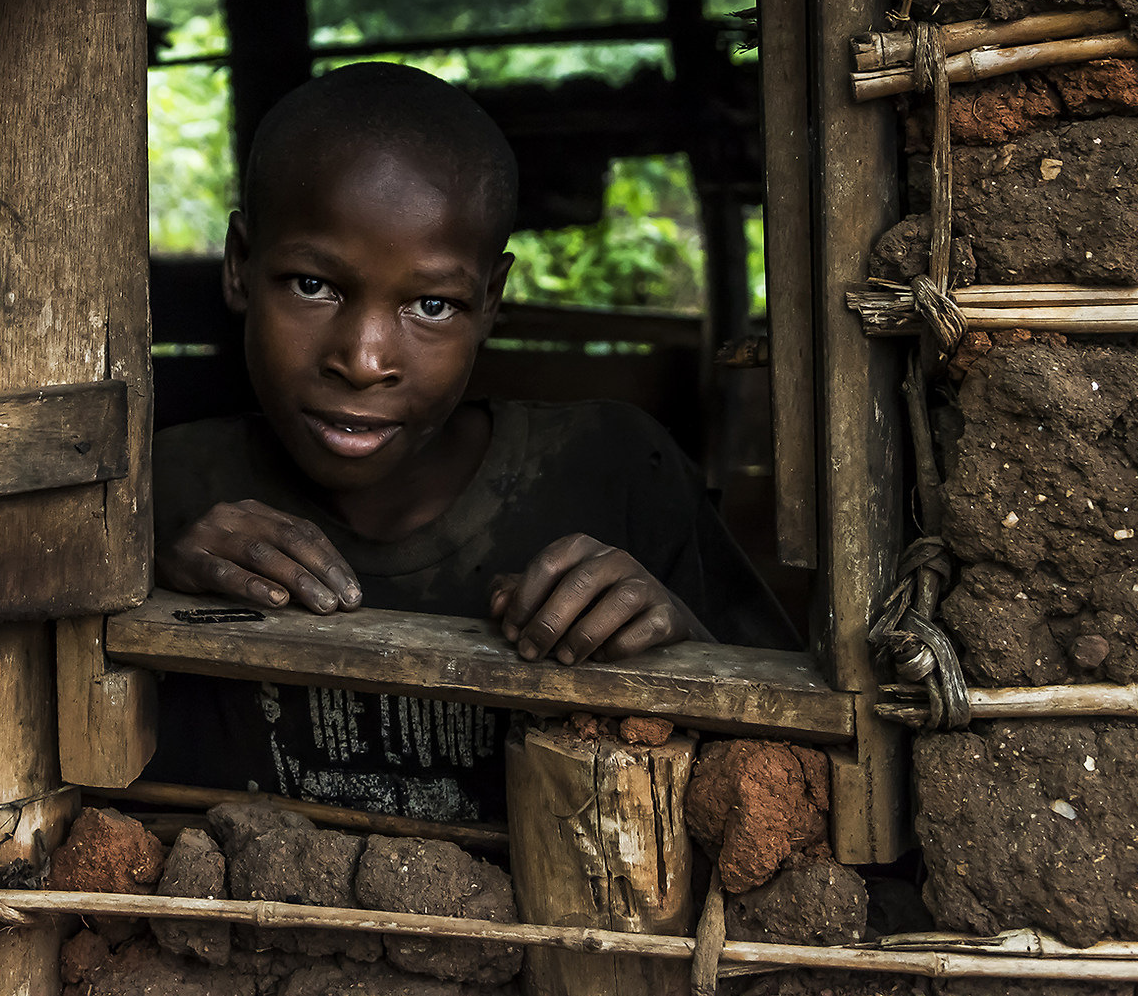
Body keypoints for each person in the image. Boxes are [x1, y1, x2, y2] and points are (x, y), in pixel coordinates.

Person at [145, 62, 797, 821]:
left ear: (491, 300)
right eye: (313, 285)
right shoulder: (168, 487)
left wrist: (683, 646)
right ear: (240, 266)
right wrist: (142, 585)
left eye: (431, 303)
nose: (363, 359)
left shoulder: (616, 471)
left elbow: (798, 753)